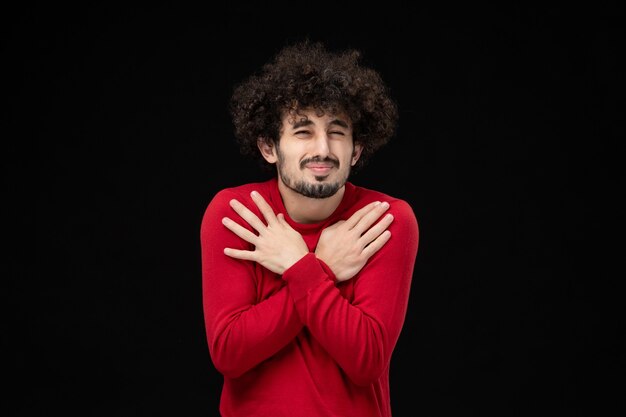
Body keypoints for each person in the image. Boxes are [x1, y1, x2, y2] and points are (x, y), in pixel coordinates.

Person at [200, 39, 419, 417]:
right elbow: (229, 353)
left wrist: (299, 267)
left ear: (356, 150)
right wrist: (324, 267)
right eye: (302, 131)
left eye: (337, 131)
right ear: (270, 147)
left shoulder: (386, 219)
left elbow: (366, 360)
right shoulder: (236, 213)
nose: (323, 149)